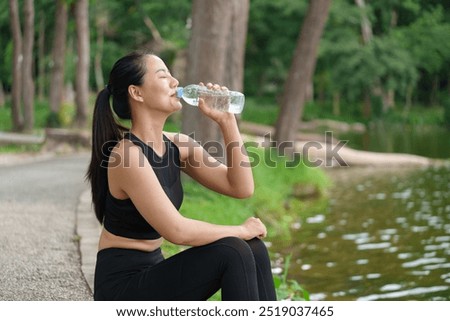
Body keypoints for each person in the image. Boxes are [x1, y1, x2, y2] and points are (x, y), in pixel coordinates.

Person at [86, 51, 276, 301]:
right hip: (124, 288)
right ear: (137, 92)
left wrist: (227, 121)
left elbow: (241, 187)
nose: (175, 82)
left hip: (154, 271)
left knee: (253, 248)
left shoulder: (178, 146)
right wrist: (240, 229)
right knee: (234, 251)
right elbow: (177, 231)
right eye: (163, 76)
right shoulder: (127, 156)